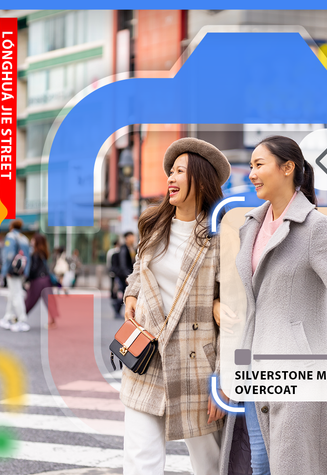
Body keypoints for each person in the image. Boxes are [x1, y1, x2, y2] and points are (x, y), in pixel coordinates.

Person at [219, 135, 327, 475]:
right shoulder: (250, 227)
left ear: (288, 167)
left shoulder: (316, 228)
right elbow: (248, 298)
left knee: (291, 466)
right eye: (250, 166)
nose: (251, 173)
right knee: (260, 465)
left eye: (259, 165)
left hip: (299, 369)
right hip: (253, 370)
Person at [120, 137, 229, 475]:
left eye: (180, 171)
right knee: (140, 461)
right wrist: (132, 294)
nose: (170, 177)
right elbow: (139, 269)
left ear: (201, 178)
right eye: (170, 171)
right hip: (146, 359)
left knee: (209, 466)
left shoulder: (222, 235)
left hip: (198, 365)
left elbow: (232, 314)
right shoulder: (154, 225)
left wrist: (224, 379)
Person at [0, 220, 31, 332]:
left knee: (16, 294)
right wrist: (26, 271)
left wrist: (5, 270)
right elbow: (28, 257)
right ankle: (8, 317)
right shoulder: (24, 238)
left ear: (11, 226)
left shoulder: (11, 236)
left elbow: (9, 255)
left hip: (12, 270)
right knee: (13, 293)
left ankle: (22, 320)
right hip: (21, 270)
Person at [25, 234, 58, 328]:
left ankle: (20, 317)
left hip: (38, 280)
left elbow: (33, 269)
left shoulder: (35, 254)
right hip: (46, 279)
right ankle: (53, 321)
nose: (31, 241)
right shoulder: (43, 253)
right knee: (49, 300)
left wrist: (27, 279)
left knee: (29, 300)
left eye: (33, 240)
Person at [111, 231, 136, 317]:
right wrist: (127, 276)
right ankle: (117, 307)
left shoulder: (132, 248)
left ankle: (117, 307)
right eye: (132, 237)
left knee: (125, 292)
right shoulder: (124, 248)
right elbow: (123, 264)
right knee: (125, 293)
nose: (133, 238)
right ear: (127, 238)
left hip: (129, 275)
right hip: (124, 275)